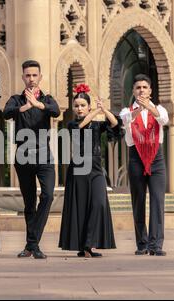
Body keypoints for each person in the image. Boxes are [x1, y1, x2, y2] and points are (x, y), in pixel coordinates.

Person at [3, 60, 60, 259]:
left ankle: (31, 243)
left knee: (47, 196)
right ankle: (33, 246)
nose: (31, 79)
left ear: (40, 77)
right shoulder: (16, 100)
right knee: (29, 203)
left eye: (35, 75)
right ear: (23, 77)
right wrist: (25, 107)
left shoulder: (47, 99)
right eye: (28, 75)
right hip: (23, 154)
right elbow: (6, 113)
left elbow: (56, 111)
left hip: (44, 153)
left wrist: (38, 104)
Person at [59, 84, 123, 257]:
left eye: (82, 105)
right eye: (77, 105)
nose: (79, 109)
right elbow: (80, 127)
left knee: (99, 202)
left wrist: (104, 109)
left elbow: (115, 124)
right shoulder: (72, 124)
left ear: (88, 106)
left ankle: (89, 243)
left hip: (95, 169)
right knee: (81, 207)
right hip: (78, 169)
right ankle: (85, 247)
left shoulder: (96, 124)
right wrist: (95, 112)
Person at [119, 74, 169, 256]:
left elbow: (164, 120)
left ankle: (156, 245)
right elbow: (125, 121)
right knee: (138, 201)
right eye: (138, 87)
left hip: (156, 159)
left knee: (157, 201)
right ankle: (142, 243)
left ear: (150, 90)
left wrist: (149, 108)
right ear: (133, 91)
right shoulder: (127, 111)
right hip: (136, 159)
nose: (141, 90)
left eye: (144, 87)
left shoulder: (160, 109)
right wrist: (139, 110)